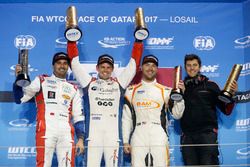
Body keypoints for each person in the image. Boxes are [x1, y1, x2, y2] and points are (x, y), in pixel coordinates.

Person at [67, 38, 143, 166]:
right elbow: (74, 64)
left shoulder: (119, 83)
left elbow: (133, 65)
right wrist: (71, 40)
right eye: (102, 67)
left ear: (112, 69)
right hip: (93, 136)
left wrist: (138, 41)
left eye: (108, 67)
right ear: (97, 68)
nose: (105, 70)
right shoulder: (89, 83)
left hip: (113, 136)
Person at [13, 52, 85, 167]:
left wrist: (80, 138)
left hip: (66, 133)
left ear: (68, 67)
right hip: (46, 130)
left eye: (65, 63)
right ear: (53, 66)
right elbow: (19, 98)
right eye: (59, 63)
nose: (62, 66)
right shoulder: (42, 80)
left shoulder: (73, 88)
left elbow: (78, 117)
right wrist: (18, 80)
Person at [122, 55, 185, 167]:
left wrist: (180, 99)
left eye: (153, 66)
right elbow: (127, 118)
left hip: (159, 133)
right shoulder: (131, 91)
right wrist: (126, 140)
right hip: (138, 133)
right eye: (147, 65)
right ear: (141, 67)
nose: (150, 68)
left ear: (157, 69)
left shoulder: (166, 91)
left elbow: (177, 115)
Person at [180, 54, 238, 166]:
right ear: (185, 67)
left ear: (200, 67)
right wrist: (182, 93)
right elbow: (175, 110)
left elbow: (226, 110)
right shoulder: (181, 88)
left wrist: (232, 95)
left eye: (194, 65)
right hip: (188, 136)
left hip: (207, 135)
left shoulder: (211, 85)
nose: (192, 68)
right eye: (189, 65)